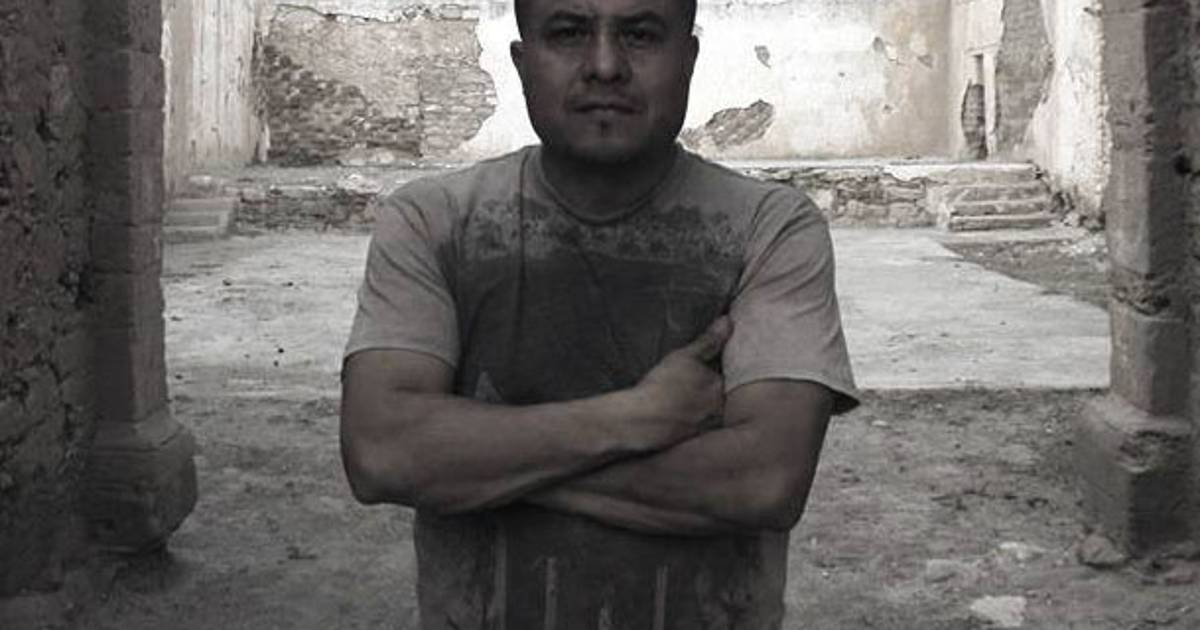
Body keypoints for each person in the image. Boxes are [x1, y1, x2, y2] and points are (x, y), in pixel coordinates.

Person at [339, 0, 860, 627]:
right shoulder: (434, 222)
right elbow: (380, 452)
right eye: (569, 33)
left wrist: (474, 463)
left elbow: (764, 481)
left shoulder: (768, 229)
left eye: (640, 34)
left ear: (688, 59)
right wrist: (642, 416)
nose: (605, 65)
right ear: (522, 63)